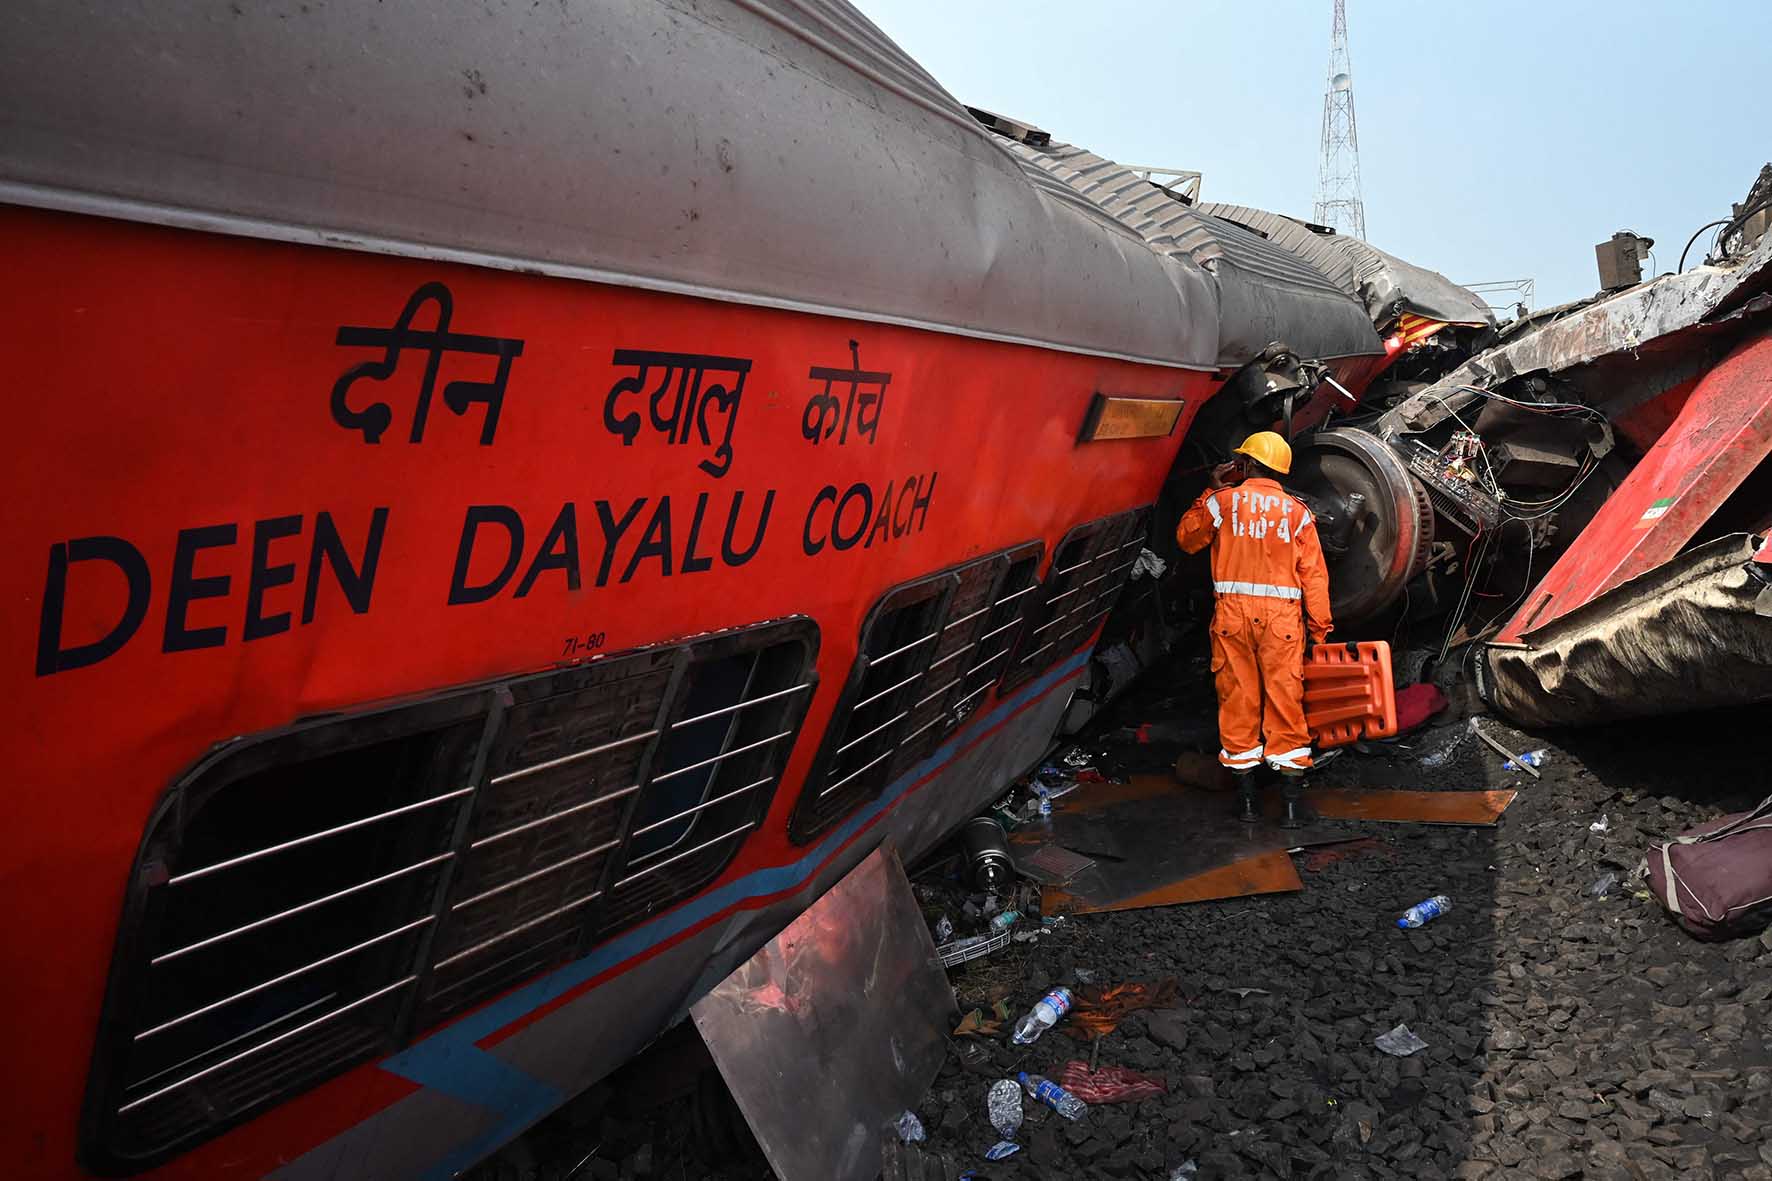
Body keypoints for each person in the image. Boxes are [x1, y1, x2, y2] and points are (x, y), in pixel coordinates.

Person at [1175, 431, 1333, 827]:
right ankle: (1292, 808)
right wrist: (1320, 630)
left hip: (1233, 619)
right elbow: (1314, 577)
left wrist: (1209, 489)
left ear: (1244, 465)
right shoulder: (1298, 513)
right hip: (1282, 622)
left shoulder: (1221, 504)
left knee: (1238, 702)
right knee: (1285, 703)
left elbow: (1186, 540)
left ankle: (1247, 805)